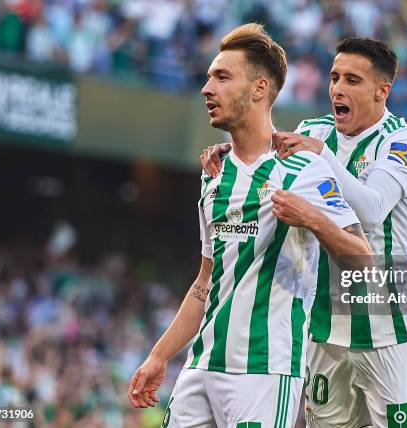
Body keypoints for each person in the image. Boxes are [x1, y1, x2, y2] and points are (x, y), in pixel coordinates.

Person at [127, 24, 371, 428]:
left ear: (259, 89)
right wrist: (159, 355)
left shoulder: (303, 169)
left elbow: (364, 262)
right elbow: (206, 282)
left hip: (264, 369)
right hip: (200, 366)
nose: (207, 88)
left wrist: (311, 217)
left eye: (222, 77)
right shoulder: (213, 174)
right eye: (208, 77)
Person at [201, 37, 407, 428]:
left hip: (389, 325)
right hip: (325, 325)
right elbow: (260, 154)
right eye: (334, 77)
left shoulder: (401, 141)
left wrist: (320, 154)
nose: (338, 88)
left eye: (353, 80)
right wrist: (227, 152)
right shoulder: (313, 129)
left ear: (382, 90)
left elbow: (372, 210)